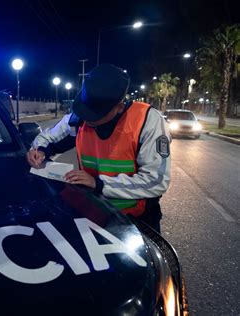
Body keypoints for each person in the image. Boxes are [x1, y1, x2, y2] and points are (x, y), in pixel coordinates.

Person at [26, 64, 171, 232]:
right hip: (92, 213)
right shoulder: (80, 118)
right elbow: (47, 138)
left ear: (119, 106)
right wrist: (39, 151)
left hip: (136, 220)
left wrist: (99, 184)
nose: (88, 119)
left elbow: (156, 180)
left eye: (96, 114)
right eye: (86, 111)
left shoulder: (148, 121)